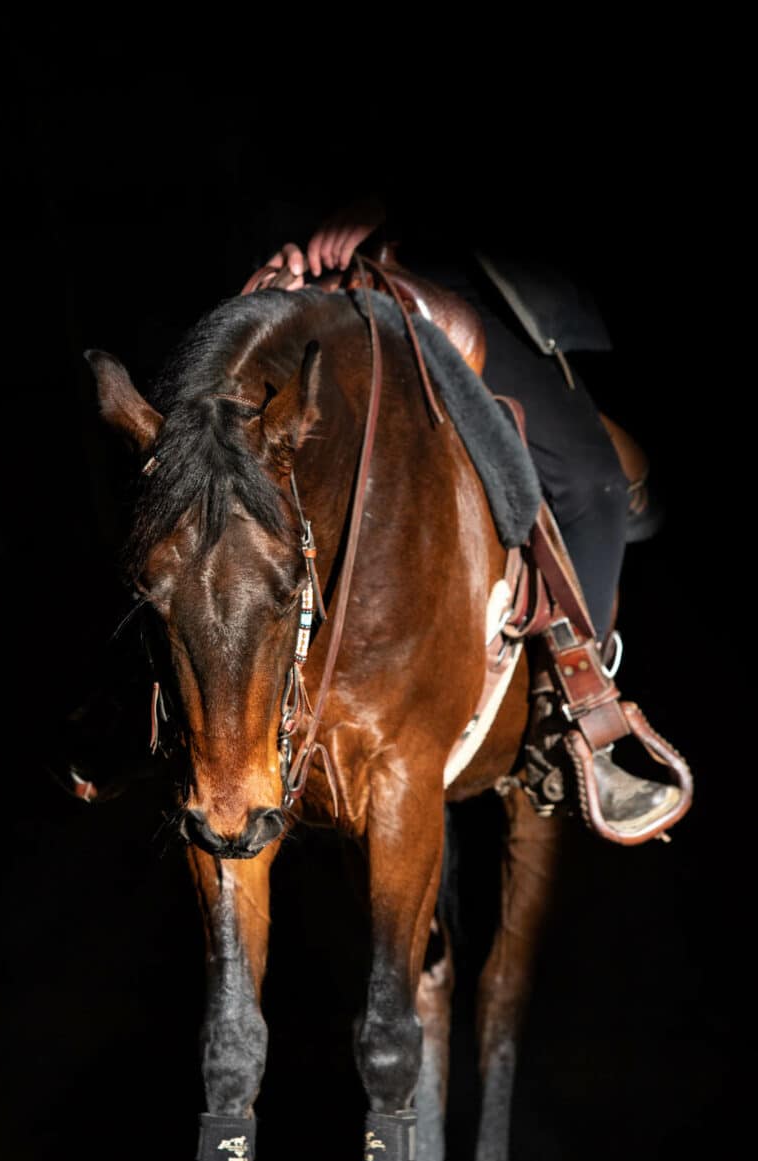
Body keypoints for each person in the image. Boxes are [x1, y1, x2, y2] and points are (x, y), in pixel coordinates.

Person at [257, 195, 686, 840]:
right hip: (314, 275)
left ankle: (574, 718)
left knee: (592, 484)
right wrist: (289, 238)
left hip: (456, 274)